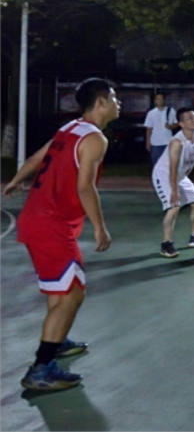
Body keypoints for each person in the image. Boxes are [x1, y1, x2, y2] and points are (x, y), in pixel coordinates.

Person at [3, 78, 118, 392]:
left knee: (60, 289)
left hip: (36, 220)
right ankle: (42, 368)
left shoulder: (70, 128)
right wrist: (100, 227)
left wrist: (16, 179)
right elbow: (85, 187)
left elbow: (36, 159)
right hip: (51, 226)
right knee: (73, 293)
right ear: (101, 102)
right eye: (114, 98)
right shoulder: (95, 139)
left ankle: (58, 341)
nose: (118, 104)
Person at [152, 107, 194, 257]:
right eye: (189, 118)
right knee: (174, 207)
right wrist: (174, 190)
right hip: (164, 175)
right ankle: (166, 245)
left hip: (180, 176)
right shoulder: (177, 142)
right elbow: (172, 168)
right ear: (181, 124)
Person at [144, 92, 178, 168]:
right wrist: (148, 141)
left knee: (168, 163)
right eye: (158, 99)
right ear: (155, 101)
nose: (160, 100)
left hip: (168, 141)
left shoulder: (171, 111)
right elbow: (149, 128)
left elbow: (177, 123)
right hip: (155, 142)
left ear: (164, 100)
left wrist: (171, 126)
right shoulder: (151, 113)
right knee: (156, 163)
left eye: (162, 99)